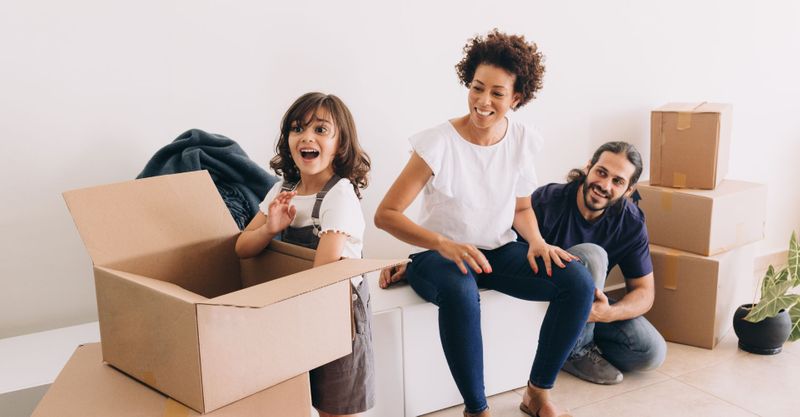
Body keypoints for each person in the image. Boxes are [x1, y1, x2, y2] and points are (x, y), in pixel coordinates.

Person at [374, 30, 593, 417]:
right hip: (439, 258)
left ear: (516, 98)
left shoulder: (523, 140)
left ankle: (537, 394)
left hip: (497, 252)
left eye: (497, 92)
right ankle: (477, 410)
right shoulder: (437, 143)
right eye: (476, 88)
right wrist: (444, 244)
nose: (483, 101)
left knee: (577, 282)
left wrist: (538, 243)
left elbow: (521, 210)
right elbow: (385, 214)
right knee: (460, 293)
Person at [235, 92, 373, 417]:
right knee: (296, 401)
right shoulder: (285, 189)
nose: (307, 137)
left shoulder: (339, 196)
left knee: (335, 406)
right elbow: (242, 248)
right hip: (298, 308)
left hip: (338, 315)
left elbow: (322, 272)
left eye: (321, 130)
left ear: (340, 144)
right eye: (297, 129)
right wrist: (270, 228)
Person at [528, 141, 667, 385]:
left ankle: (566, 342)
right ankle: (574, 351)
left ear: (629, 190)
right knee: (593, 255)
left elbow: (645, 292)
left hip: (585, 309)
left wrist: (608, 313)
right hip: (537, 300)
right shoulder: (547, 200)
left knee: (652, 353)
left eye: (617, 181)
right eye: (601, 172)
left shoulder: (631, 223)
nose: (604, 185)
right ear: (588, 168)